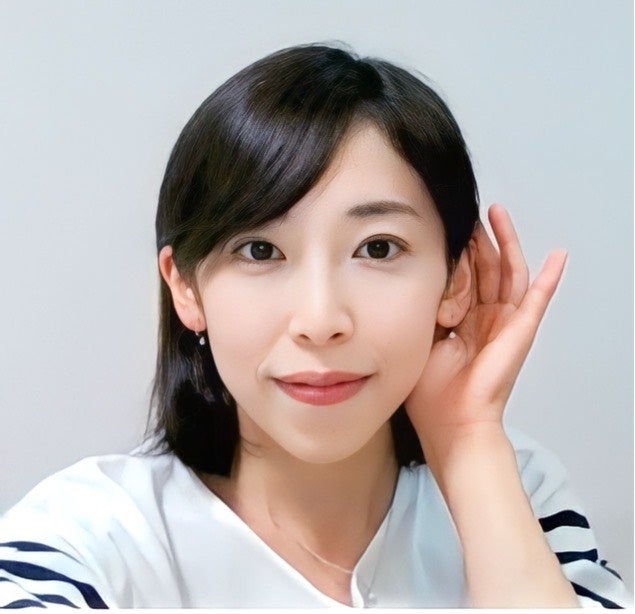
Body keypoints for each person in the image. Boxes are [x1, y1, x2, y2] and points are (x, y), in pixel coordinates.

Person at [0, 42, 631, 609]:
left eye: (378, 248)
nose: (321, 321)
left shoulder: (516, 493)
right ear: (186, 287)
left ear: (454, 281)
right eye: (260, 251)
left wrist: (467, 443)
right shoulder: (85, 540)